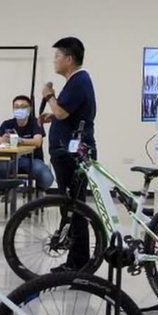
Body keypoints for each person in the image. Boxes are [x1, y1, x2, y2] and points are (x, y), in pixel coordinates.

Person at [39, 37, 97, 272]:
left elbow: (63, 113)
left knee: (75, 207)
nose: (55, 60)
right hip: (68, 151)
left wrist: (48, 96)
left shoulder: (77, 81)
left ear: (69, 59)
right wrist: (53, 114)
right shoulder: (77, 81)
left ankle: (77, 263)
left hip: (71, 154)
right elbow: (69, 113)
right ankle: (77, 260)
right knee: (73, 206)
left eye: (57, 56)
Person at [0, 95, 54, 190]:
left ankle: (40, 190)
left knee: (46, 178)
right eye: (16, 107)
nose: (19, 109)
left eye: (23, 107)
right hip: (10, 160)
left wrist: (20, 140)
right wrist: (3, 140)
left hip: (32, 160)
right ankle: (3, 190)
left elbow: (37, 142)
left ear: (29, 109)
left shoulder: (35, 122)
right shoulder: (7, 124)